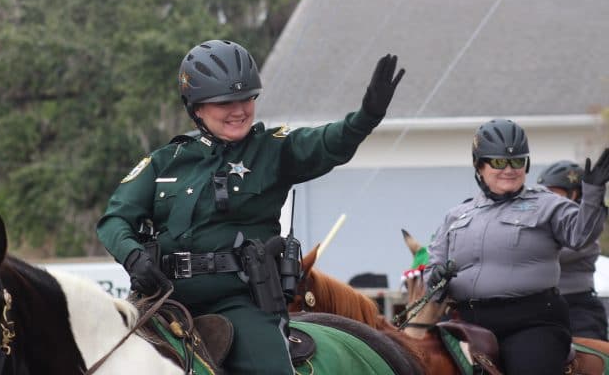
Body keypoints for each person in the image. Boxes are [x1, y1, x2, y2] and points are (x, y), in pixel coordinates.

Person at [96, 39, 405, 374]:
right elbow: (114, 221)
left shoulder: (274, 150)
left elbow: (330, 143)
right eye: (225, 101)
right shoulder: (164, 161)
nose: (239, 109)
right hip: (160, 302)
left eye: (247, 98)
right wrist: (133, 256)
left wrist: (366, 118)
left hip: (241, 304)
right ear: (196, 107)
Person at [426, 118, 609, 375]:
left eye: (518, 161)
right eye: (499, 162)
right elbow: (432, 268)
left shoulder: (546, 205)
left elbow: (581, 236)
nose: (509, 169)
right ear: (479, 165)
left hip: (530, 323)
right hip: (462, 322)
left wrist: (593, 194)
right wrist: (435, 278)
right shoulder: (457, 215)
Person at [538, 160, 608, 340]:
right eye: (543, 192)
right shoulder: (540, 223)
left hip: (578, 309)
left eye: (553, 192)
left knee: (587, 358)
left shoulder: (587, 230)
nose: (544, 199)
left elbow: (546, 253)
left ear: (574, 194)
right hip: (541, 307)